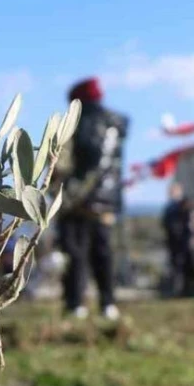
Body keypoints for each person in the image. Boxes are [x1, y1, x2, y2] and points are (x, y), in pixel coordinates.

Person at [51, 78, 129, 321]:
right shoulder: (117, 123)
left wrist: (63, 195)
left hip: (77, 203)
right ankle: (108, 304)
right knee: (103, 254)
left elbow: (70, 163)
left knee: (75, 255)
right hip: (106, 203)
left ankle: (76, 305)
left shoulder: (78, 123)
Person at [162, 182, 194, 298]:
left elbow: (192, 223)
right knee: (177, 268)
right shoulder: (169, 208)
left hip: (185, 242)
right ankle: (179, 291)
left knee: (188, 267)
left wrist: (190, 238)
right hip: (174, 243)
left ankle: (191, 290)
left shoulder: (186, 205)